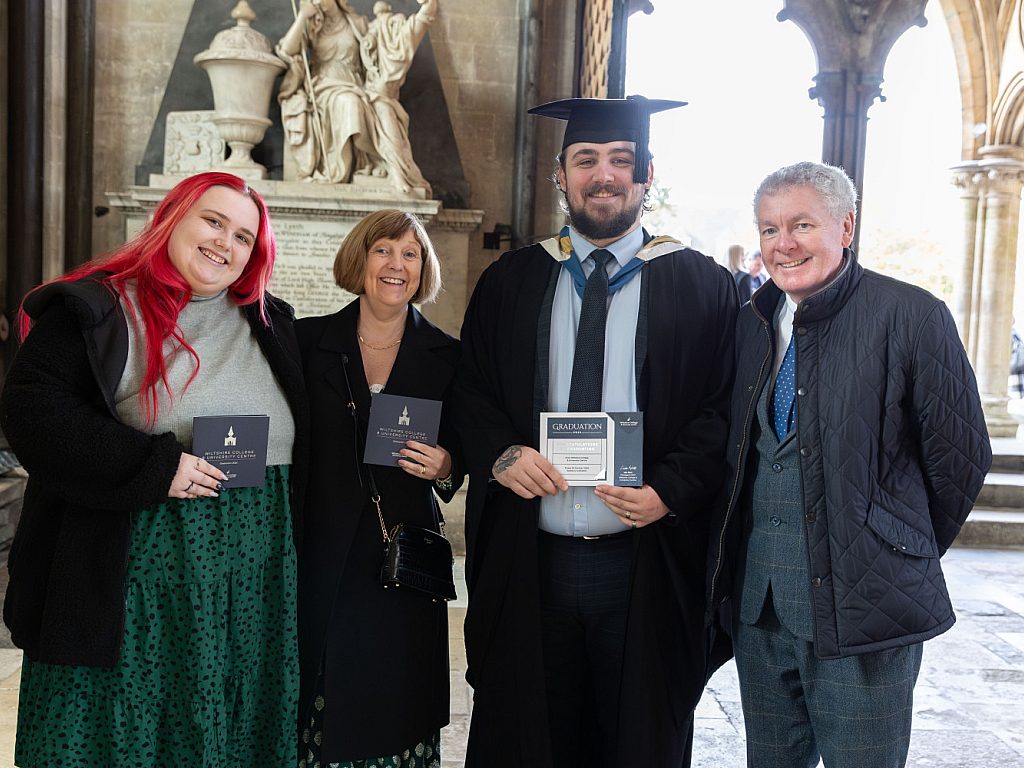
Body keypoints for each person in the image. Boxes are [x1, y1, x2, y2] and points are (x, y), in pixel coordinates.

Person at [453, 96, 738, 767]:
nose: (603, 174)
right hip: (532, 561)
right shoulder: (512, 281)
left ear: (646, 174)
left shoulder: (701, 285)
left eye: (619, 160)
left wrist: (669, 488)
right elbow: (470, 388)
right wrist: (499, 453)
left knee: (636, 737)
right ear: (561, 174)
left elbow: (724, 406)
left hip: (644, 563)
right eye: (586, 159)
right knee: (528, 737)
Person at [0, 171, 309, 765]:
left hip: (249, 578)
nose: (225, 243)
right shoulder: (99, 307)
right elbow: (31, 410)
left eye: (244, 237)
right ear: (173, 218)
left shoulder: (271, 323)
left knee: (223, 726)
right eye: (213, 222)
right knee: (122, 730)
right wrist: (151, 466)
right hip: (130, 576)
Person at [706, 161, 991, 768]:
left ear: (846, 227)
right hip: (762, 606)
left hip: (866, 610)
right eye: (768, 229)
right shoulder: (751, 323)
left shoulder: (913, 315)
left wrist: (893, 547)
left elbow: (961, 459)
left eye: (801, 224)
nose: (783, 244)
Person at [295, 209, 463, 768]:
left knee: (397, 700)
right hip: (320, 557)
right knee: (325, 697)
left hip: (403, 560)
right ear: (360, 259)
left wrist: (445, 465)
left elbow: (465, 448)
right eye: (384, 250)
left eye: (410, 254)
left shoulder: (447, 356)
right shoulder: (307, 340)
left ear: (423, 268)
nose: (397, 265)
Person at [278, 0, 381, 183]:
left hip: (353, 84)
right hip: (323, 87)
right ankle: (337, 173)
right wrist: (302, 16)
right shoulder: (314, 24)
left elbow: (375, 56)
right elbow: (287, 49)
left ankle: (369, 162)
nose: (317, 1)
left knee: (352, 101)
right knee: (349, 102)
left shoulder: (357, 23)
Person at [360, 0, 437, 194]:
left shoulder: (396, 46)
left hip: (382, 97)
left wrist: (428, 4)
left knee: (391, 131)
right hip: (368, 95)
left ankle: (398, 172)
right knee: (387, 128)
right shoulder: (366, 36)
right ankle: (394, 171)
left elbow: (422, 20)